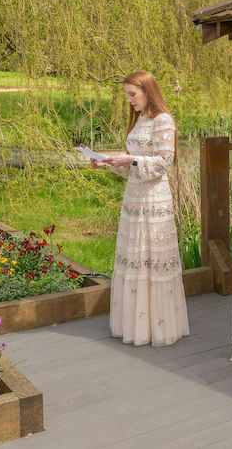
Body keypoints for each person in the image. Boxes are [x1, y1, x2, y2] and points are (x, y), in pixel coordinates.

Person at [94, 71, 190, 347]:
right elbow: (133, 167)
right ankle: (137, 324)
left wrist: (130, 159)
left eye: (132, 94)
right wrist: (110, 162)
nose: (129, 100)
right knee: (135, 257)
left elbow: (163, 163)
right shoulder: (140, 121)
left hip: (153, 200)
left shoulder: (163, 121)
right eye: (127, 95)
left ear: (148, 91)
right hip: (134, 199)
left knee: (152, 260)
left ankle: (157, 328)